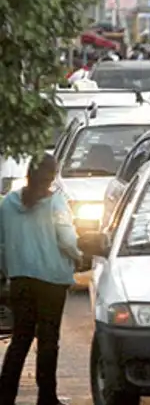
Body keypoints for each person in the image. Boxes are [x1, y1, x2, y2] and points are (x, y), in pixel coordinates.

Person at [0, 154, 81, 405]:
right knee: (48, 340)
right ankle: (47, 397)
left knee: (20, 339)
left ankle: (5, 396)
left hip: (20, 278)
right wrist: (78, 257)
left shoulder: (7, 203)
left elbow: (2, 244)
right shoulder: (56, 203)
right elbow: (67, 240)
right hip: (52, 280)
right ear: (52, 175)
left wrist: (8, 271)